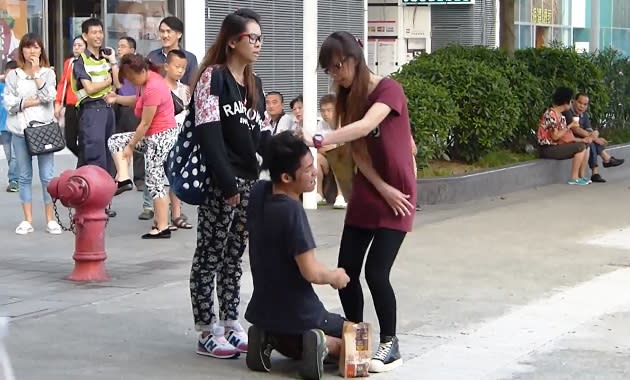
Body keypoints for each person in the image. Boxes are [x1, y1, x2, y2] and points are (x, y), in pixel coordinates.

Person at [313, 31, 417, 373]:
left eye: (339, 66)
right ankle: (354, 343)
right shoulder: (347, 98)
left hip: (399, 196)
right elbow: (358, 150)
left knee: (376, 272)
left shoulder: (389, 89)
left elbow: (366, 127)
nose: (337, 74)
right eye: (330, 70)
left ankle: (391, 345)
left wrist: (323, 138)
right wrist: (378, 186)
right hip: (371, 192)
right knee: (346, 272)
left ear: (356, 58)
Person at [189, 8, 271, 359]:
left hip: (249, 182)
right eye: (251, 38)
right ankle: (207, 330)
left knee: (234, 256)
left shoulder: (254, 84)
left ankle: (230, 322)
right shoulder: (212, 78)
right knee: (209, 254)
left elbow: (263, 134)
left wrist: (295, 157)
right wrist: (227, 185)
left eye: (260, 38)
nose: (258, 44)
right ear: (233, 40)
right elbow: (209, 136)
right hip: (220, 183)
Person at [245, 131, 350, 380]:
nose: (314, 172)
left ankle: (267, 338)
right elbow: (310, 271)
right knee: (354, 333)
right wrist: (335, 276)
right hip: (301, 312)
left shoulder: (258, 194)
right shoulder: (291, 211)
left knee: (291, 333)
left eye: (313, 164)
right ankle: (324, 346)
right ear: (286, 177)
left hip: (264, 310)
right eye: (307, 169)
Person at [105, 54, 179, 239]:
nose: (131, 81)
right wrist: (116, 98)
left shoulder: (154, 86)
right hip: (153, 134)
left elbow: (145, 123)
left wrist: (131, 146)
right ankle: (123, 177)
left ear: (143, 70)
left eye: (132, 77)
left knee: (154, 180)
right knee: (114, 141)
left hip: (161, 135)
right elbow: (137, 101)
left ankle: (162, 226)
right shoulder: (145, 82)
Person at [3, 34, 61, 235]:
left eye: (36, 47)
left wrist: (37, 74)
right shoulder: (14, 75)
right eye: (28, 47)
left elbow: (49, 97)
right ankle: (27, 219)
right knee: (24, 176)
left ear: (41, 50)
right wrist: (32, 101)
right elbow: (9, 104)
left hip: (43, 130)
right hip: (20, 131)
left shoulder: (48, 73)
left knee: (47, 177)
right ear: (22, 51)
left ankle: (51, 219)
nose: (32, 51)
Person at [72, 18, 120, 218]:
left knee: (108, 157)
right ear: (85, 36)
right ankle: (91, 201)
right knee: (94, 156)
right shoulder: (80, 61)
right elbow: (90, 88)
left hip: (108, 110)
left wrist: (113, 62)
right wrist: (108, 80)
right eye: (94, 32)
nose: (99, 36)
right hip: (92, 111)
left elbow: (118, 84)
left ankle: (102, 202)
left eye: (100, 32)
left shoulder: (106, 58)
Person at [562, 93, 624, 183]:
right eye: (580, 102)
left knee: (590, 140)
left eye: (585, 104)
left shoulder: (584, 115)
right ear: (574, 101)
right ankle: (603, 163)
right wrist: (595, 138)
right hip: (570, 140)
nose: (582, 106)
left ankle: (599, 169)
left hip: (582, 139)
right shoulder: (568, 112)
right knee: (590, 141)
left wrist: (595, 133)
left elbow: (589, 130)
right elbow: (575, 130)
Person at [162, 49, 193, 230]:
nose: (180, 71)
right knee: (160, 180)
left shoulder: (185, 90)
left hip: (179, 139)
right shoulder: (159, 87)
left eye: (183, 68)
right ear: (167, 66)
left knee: (175, 176)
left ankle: (176, 214)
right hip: (162, 137)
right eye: (176, 66)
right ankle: (161, 216)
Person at [537, 87, 592, 185]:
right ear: (565, 102)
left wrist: (583, 139)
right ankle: (574, 178)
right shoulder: (550, 114)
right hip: (547, 148)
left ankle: (580, 176)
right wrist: (570, 126)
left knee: (584, 144)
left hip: (557, 146)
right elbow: (555, 137)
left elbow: (566, 137)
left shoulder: (561, 116)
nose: (571, 104)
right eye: (570, 101)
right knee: (580, 147)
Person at [53, 36, 86, 161]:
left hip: (85, 106)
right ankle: (85, 160)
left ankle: (85, 164)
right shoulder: (70, 62)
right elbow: (63, 84)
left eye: (80, 45)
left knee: (85, 139)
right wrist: (58, 103)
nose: (76, 48)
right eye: (75, 45)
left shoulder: (90, 62)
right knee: (70, 141)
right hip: (72, 105)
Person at [314, 94, 347, 209]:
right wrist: (330, 148)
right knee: (316, 157)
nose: (325, 114)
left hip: (345, 159)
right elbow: (317, 145)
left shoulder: (343, 123)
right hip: (327, 157)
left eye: (329, 110)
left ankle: (341, 195)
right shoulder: (321, 124)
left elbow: (343, 147)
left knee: (337, 154)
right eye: (323, 111)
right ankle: (319, 194)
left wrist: (329, 148)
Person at [147, 16, 198, 86]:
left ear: (179, 34)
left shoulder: (190, 58)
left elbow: (193, 85)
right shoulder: (152, 56)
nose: (165, 35)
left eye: (168, 31)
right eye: (162, 31)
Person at [0, 60, 18, 193]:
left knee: (14, 156)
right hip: (3, 127)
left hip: (16, 126)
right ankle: (16, 176)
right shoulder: (1, 87)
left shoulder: (19, 88)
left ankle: (13, 180)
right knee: (9, 155)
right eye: (8, 74)